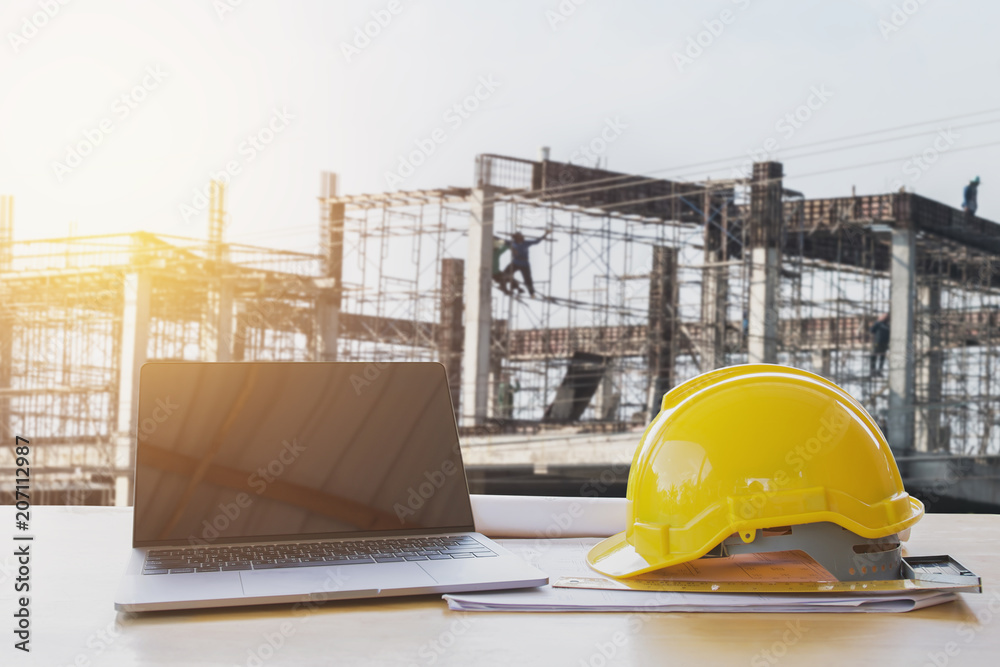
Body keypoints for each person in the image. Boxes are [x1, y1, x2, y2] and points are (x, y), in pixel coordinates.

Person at [503, 230, 549, 298]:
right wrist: (492, 237)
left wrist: (546, 234)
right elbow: (501, 241)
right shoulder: (511, 243)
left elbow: (537, 241)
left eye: (521, 237)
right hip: (515, 262)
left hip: (524, 264)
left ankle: (532, 293)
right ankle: (505, 286)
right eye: (519, 238)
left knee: (528, 280)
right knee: (505, 273)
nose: (521, 239)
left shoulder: (525, 243)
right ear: (516, 238)